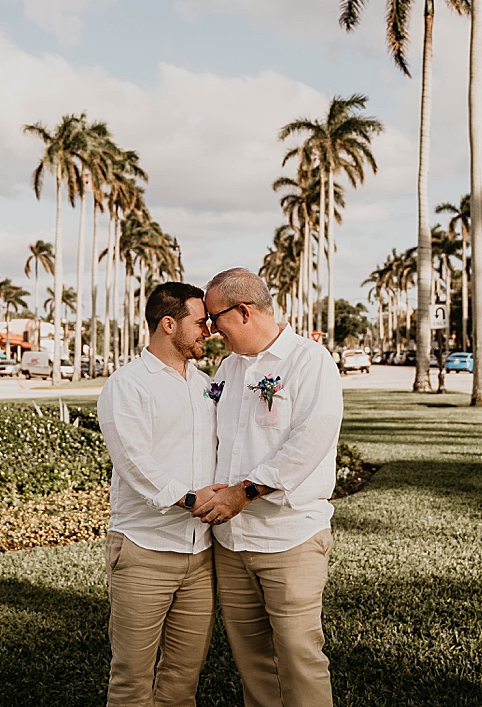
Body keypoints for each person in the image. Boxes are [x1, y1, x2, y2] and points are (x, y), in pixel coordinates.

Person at [193, 267, 344, 707]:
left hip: (289, 537)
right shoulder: (228, 367)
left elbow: (309, 441)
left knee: (299, 657)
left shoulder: (309, 360)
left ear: (241, 312)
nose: (209, 329)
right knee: (253, 661)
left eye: (213, 318)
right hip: (232, 542)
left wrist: (243, 492)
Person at [96, 281, 222, 707]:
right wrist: (191, 501)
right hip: (144, 552)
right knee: (132, 679)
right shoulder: (127, 385)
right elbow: (134, 463)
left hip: (201, 556)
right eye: (201, 322)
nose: (210, 331)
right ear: (169, 324)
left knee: (183, 681)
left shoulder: (205, 385)